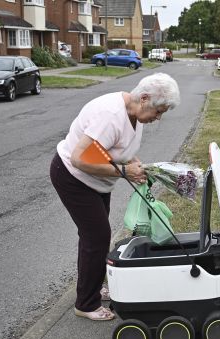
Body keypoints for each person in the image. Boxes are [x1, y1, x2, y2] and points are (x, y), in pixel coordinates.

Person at [50, 73, 180, 321]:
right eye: (158, 111)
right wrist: (124, 172)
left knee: (95, 237)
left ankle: (93, 286)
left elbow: (116, 148)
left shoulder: (134, 113)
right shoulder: (111, 115)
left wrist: (134, 165)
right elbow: (80, 158)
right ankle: (86, 304)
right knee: (97, 237)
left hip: (96, 182)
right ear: (144, 98)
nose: (159, 117)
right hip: (73, 177)